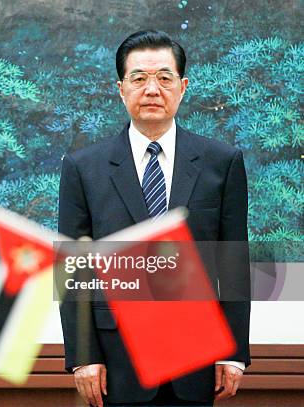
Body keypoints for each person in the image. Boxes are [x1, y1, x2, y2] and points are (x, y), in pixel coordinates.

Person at [58, 31, 250, 406]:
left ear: (182, 87)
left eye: (164, 78)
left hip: (197, 356)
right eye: (139, 78)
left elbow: (234, 264)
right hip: (117, 362)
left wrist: (233, 351)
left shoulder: (221, 163)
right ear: (121, 88)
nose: (151, 90)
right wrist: (83, 357)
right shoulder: (84, 168)